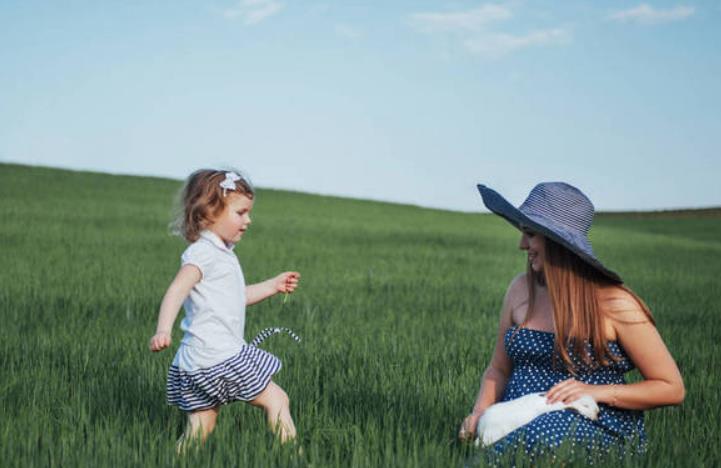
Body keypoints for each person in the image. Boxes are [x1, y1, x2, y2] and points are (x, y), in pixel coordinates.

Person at [459, 182, 685, 456]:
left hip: (593, 423)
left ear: (555, 242)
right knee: (495, 442)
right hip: (513, 417)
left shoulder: (615, 304)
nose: (522, 244)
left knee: (533, 440)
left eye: (530, 234)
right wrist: (479, 414)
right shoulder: (520, 290)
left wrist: (595, 392)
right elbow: (498, 369)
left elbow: (671, 388)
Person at [149, 169, 301, 448]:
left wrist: (272, 285)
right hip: (221, 356)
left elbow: (233, 297)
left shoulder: (219, 253)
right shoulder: (203, 254)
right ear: (208, 213)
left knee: (201, 428)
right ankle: (294, 456)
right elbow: (176, 290)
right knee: (277, 399)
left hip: (196, 364)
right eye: (240, 213)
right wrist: (163, 329)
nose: (248, 220)